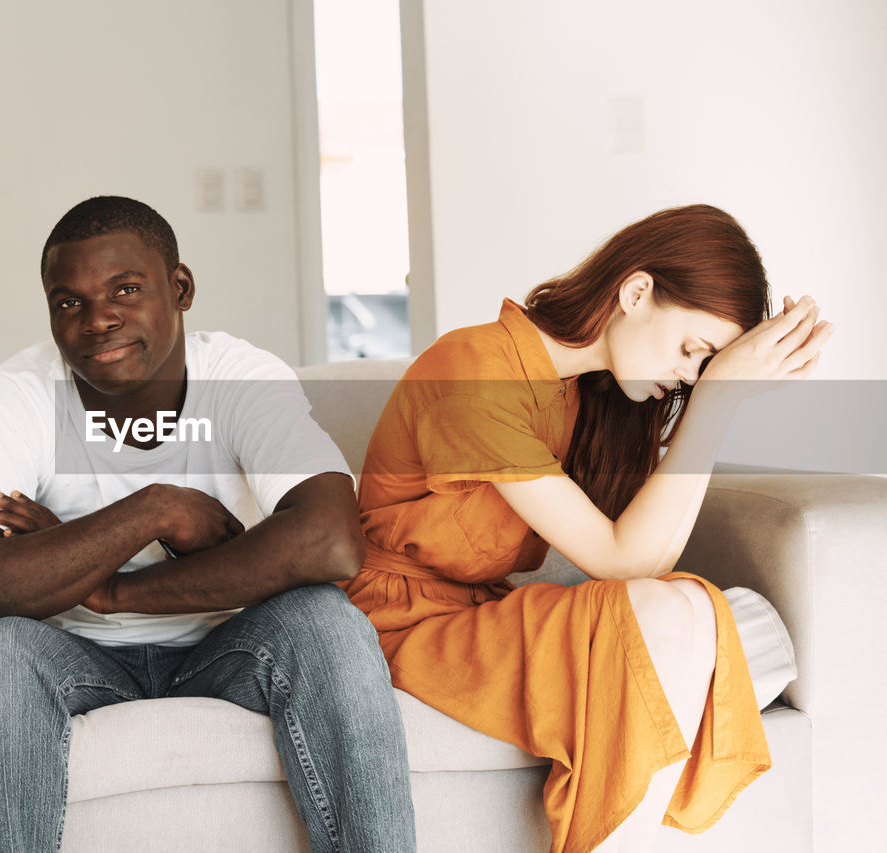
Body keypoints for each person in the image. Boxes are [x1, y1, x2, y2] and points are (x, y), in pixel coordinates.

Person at [0, 196, 415, 852]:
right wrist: (153, 509)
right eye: (68, 301)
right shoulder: (17, 395)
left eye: (125, 289)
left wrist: (106, 586)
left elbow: (328, 539)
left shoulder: (240, 376)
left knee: (326, 620)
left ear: (179, 288)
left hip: (228, 646)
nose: (97, 321)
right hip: (72, 655)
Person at [340, 204, 833, 853]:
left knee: (705, 611)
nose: (688, 375)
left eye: (703, 368)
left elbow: (648, 562)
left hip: (476, 611)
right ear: (635, 292)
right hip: (394, 627)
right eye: (692, 351)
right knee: (678, 618)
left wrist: (718, 396)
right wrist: (718, 402)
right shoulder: (473, 369)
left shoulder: (585, 395)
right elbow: (622, 560)